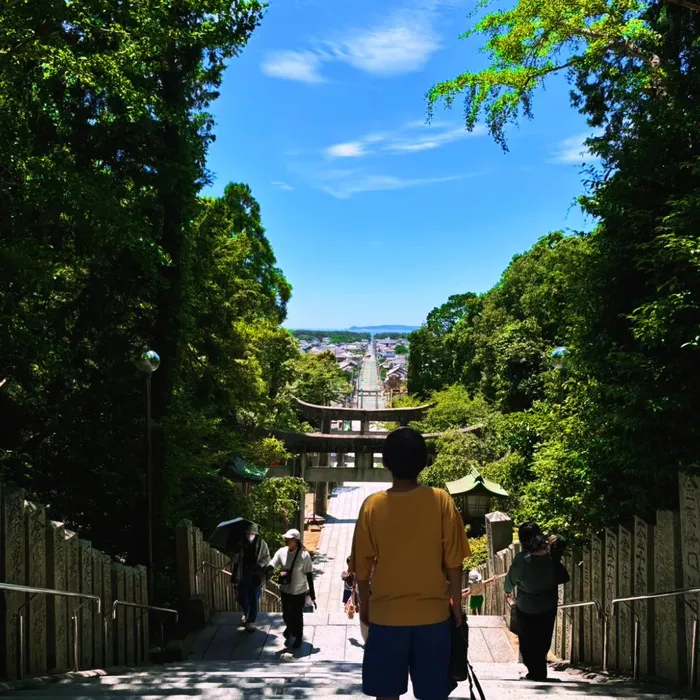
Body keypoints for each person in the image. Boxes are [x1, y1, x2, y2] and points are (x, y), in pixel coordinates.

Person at [350, 427, 471, 700]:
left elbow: (362, 567)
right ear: (424, 462)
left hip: (386, 616)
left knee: (386, 694)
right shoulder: (440, 500)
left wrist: (365, 609)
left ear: (385, 462)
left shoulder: (372, 505)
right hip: (434, 618)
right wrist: (456, 606)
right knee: (432, 694)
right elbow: (454, 562)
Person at [504, 522, 570, 682]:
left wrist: (508, 590)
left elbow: (509, 582)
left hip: (526, 605)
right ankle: (538, 672)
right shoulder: (550, 554)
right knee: (543, 639)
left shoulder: (522, 558)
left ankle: (536, 672)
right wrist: (556, 538)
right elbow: (563, 540)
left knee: (527, 641)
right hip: (548, 604)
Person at [268, 528, 316, 649]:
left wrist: (313, 596)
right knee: (286, 615)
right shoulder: (282, 552)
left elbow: (309, 575)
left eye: (289, 539)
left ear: (295, 540)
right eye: (286, 538)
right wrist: (266, 571)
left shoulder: (304, 556)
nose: (286, 540)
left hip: (299, 591)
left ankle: (298, 636)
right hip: (285, 590)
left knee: (297, 615)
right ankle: (290, 628)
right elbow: (273, 563)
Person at [231, 523, 270, 633]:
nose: (250, 535)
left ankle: (251, 620)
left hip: (255, 574)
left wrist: (259, 566)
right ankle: (246, 613)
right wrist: (237, 553)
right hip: (242, 573)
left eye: (252, 533)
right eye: (248, 533)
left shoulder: (262, 544)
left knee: (253, 598)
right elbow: (234, 559)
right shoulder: (240, 544)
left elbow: (267, 558)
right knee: (241, 596)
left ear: (256, 534)